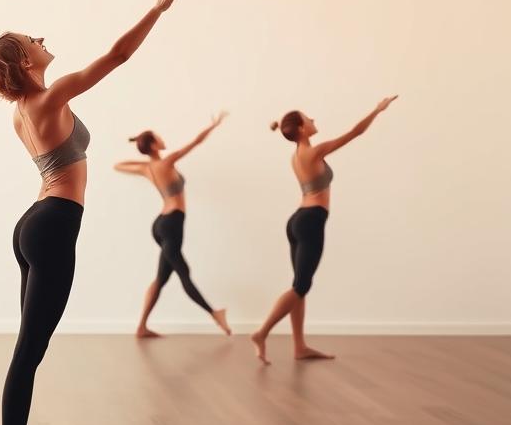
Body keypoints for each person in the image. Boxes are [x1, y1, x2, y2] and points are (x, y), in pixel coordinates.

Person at [0, 0, 189, 425]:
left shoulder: (23, 111)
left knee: (27, 352)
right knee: (28, 354)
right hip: (51, 227)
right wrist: (158, 9)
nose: (44, 41)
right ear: (27, 62)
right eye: (34, 41)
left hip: (35, 223)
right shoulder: (50, 97)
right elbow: (116, 56)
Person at [250, 96, 399, 364]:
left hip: (298, 219)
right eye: (309, 119)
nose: (314, 120)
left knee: (300, 286)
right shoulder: (312, 152)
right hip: (310, 221)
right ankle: (261, 333)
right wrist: (377, 109)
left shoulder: (296, 156)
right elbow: (355, 132)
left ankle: (300, 347)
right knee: (301, 285)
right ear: (301, 128)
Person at [114, 113, 230, 337]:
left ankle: (141, 327)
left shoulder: (147, 169)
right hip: (172, 223)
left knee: (161, 278)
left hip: (161, 224)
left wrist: (144, 158)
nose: (161, 138)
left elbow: (118, 165)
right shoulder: (166, 162)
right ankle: (215, 314)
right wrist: (213, 126)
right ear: (154, 145)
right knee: (184, 273)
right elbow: (195, 142)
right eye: (157, 137)